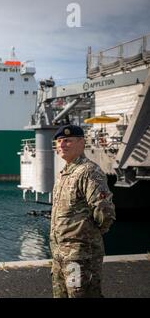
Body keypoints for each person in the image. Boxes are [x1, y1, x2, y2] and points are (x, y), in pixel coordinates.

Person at [50, 124, 116, 298]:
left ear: (81, 143)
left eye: (68, 141)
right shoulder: (63, 174)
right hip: (60, 255)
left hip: (81, 256)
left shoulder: (89, 171)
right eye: (59, 141)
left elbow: (105, 211)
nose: (62, 145)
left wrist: (90, 235)